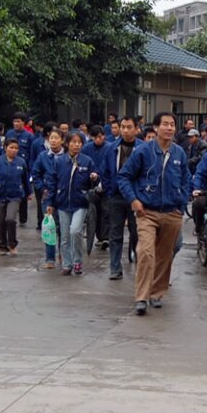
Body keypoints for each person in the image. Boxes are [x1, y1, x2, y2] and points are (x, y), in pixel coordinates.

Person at [118, 111, 190, 315]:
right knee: (146, 252)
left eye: (172, 124)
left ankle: (156, 293)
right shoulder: (143, 152)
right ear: (156, 128)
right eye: (165, 124)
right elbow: (124, 177)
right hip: (146, 212)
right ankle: (141, 297)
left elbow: (186, 179)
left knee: (165, 255)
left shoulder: (179, 153)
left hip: (171, 212)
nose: (169, 128)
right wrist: (133, 200)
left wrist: (182, 204)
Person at [44, 131, 99, 275]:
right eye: (73, 142)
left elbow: (96, 181)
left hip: (80, 203)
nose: (77, 145)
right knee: (64, 235)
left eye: (79, 142)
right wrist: (50, 202)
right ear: (67, 144)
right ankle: (67, 265)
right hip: (62, 203)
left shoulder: (87, 161)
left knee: (75, 231)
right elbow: (52, 183)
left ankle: (77, 261)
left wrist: (94, 177)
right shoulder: (59, 161)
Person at [101, 116, 142, 280]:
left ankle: (141, 267)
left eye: (129, 127)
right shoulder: (111, 148)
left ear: (136, 129)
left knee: (137, 234)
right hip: (116, 197)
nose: (125, 130)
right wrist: (109, 189)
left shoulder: (143, 148)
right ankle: (115, 268)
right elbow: (105, 171)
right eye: (123, 127)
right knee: (115, 233)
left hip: (136, 198)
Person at [32, 127, 65, 268]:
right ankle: (50, 258)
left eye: (56, 138)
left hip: (64, 197)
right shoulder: (43, 156)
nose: (53, 141)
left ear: (62, 140)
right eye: (51, 138)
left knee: (63, 227)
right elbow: (36, 173)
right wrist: (42, 188)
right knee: (49, 227)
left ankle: (63, 254)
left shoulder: (67, 157)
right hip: (48, 197)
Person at [82, 124, 111, 248]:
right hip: (90, 184)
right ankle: (94, 234)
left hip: (106, 183)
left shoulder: (110, 148)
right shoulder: (86, 148)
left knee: (106, 210)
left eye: (101, 136)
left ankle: (104, 237)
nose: (99, 139)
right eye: (96, 137)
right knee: (93, 211)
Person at [5, 112, 35, 227]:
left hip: (24, 167)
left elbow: (31, 153)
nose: (16, 123)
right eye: (14, 121)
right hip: (9, 165)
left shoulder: (29, 136)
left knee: (23, 191)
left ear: (23, 122)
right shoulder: (9, 133)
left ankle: (23, 217)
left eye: (18, 121)